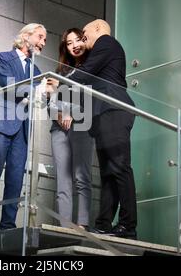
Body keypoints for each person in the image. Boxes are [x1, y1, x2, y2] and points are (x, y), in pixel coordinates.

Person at [48, 19, 137, 239]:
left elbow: (85, 73)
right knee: (108, 172)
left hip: (114, 110)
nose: (83, 37)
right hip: (102, 114)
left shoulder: (106, 43)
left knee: (120, 167)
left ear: (97, 29)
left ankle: (128, 225)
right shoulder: (102, 49)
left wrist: (59, 85)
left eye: (84, 33)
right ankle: (104, 224)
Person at [0, 23, 47, 233]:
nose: (43, 43)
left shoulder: (36, 70)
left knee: (15, 182)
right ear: (26, 36)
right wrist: (36, 90)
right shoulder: (3, 58)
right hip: (1, 126)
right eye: (40, 37)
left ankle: (8, 226)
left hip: (23, 131)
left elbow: (40, 100)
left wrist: (44, 92)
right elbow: (8, 84)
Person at [49, 28, 94, 229]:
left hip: (82, 126)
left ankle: (82, 224)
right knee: (63, 179)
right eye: (69, 43)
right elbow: (50, 102)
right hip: (58, 129)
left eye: (77, 40)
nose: (74, 45)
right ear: (65, 48)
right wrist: (59, 114)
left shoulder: (91, 69)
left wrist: (71, 113)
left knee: (81, 176)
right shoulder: (61, 73)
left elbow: (90, 99)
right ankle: (65, 226)